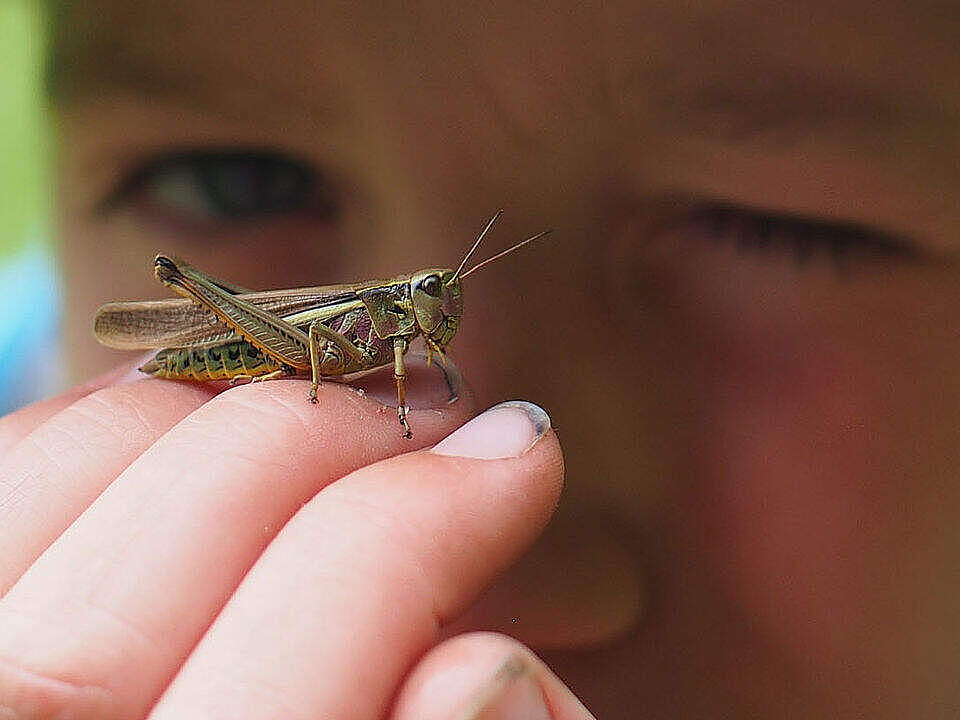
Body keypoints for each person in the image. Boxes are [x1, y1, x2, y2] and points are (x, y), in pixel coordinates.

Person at [2, 0, 959, 716]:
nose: (482, 345)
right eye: (235, 185)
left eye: (775, 226)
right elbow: (331, 358)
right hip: (251, 338)